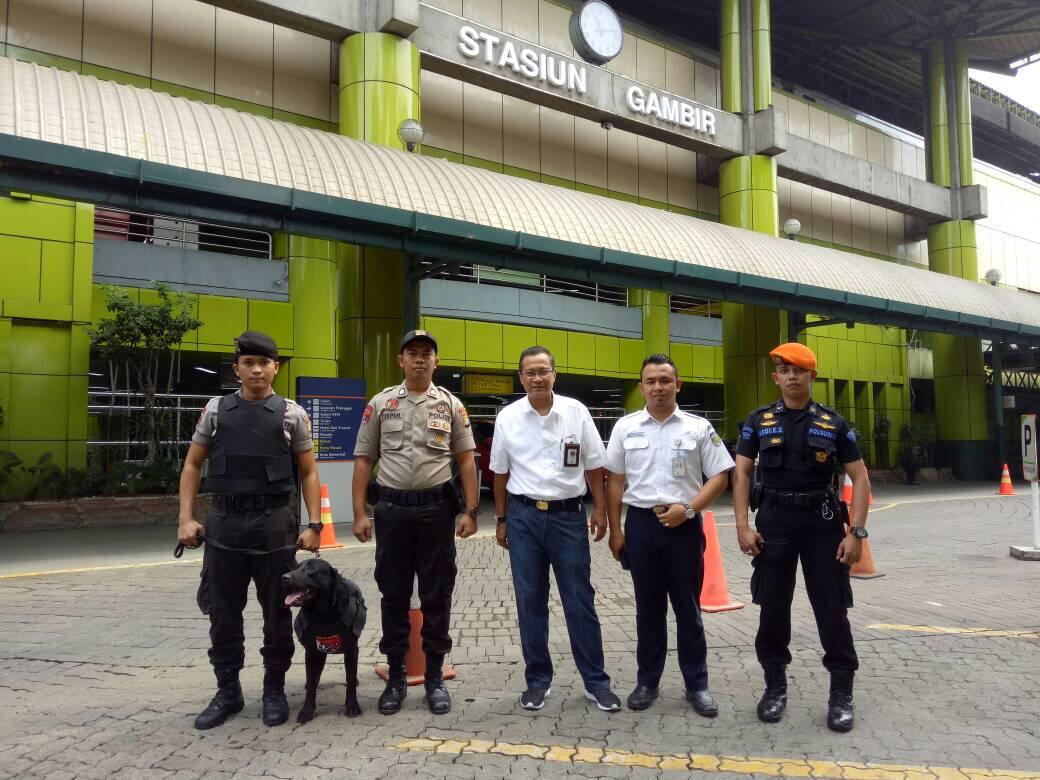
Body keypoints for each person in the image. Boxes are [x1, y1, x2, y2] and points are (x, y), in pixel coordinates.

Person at [177, 330, 322, 730]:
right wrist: (185, 519)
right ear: (237, 369)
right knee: (223, 614)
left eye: (264, 363)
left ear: (275, 367)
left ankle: (274, 689)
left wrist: (315, 525)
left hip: (274, 526)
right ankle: (228, 691)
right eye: (248, 363)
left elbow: (308, 472)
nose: (256, 370)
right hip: (225, 525)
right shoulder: (216, 410)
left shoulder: (292, 414)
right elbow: (192, 465)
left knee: (277, 612)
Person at [731, 342, 870, 732]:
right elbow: (740, 474)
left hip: (822, 524)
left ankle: (841, 693)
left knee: (831, 610)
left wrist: (855, 532)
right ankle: (774, 688)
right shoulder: (759, 421)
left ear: (813, 375)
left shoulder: (833, 423)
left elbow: (859, 477)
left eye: (799, 370)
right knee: (773, 608)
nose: (792, 376)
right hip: (774, 523)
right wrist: (743, 525)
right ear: (775, 377)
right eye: (784, 370)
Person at [352, 329, 479, 716]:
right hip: (391, 512)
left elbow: (466, 461)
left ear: (436, 361)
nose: (420, 359)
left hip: (435, 513)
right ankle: (395, 677)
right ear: (401, 360)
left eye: (427, 353)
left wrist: (470, 511)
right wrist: (359, 513)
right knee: (393, 594)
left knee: (436, 594)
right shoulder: (381, 403)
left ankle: (435, 676)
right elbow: (363, 459)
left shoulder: (451, 406)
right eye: (412, 353)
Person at [490, 346, 621, 713]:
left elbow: (595, 465)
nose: (537, 378)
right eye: (530, 372)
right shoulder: (508, 417)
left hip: (568, 519)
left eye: (543, 371)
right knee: (529, 601)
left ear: (554, 374)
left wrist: (599, 509)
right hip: (523, 517)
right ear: (521, 377)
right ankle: (537, 681)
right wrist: (501, 519)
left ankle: (597, 682)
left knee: (579, 599)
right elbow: (499, 472)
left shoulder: (575, 412)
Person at [605, 354, 733, 716]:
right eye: (650, 381)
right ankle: (648, 681)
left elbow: (721, 475)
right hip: (642, 527)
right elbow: (614, 480)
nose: (657, 387)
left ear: (678, 385)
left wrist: (689, 510)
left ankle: (697, 685)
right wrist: (616, 531)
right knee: (648, 610)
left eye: (665, 380)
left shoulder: (697, 427)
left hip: (684, 526)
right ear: (642, 387)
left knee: (688, 610)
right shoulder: (625, 428)